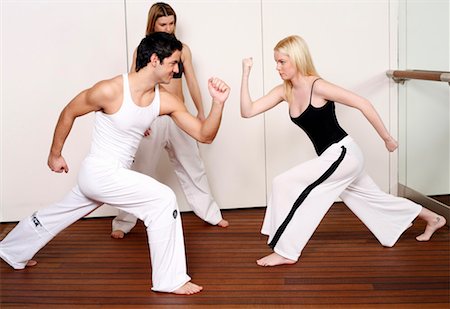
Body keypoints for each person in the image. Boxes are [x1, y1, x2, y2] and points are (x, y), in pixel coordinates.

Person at [0, 32, 230, 294]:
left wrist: (218, 104)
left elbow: (204, 134)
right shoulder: (110, 90)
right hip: (100, 171)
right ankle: (170, 279)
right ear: (154, 59)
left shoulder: (164, 100)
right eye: (173, 63)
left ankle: (12, 249)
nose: (177, 70)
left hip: (111, 176)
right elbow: (70, 111)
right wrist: (55, 154)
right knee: (163, 199)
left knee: (61, 212)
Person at [240, 35, 446, 267]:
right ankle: (433, 217)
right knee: (373, 199)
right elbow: (248, 111)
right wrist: (246, 73)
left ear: (297, 59)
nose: (277, 67)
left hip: (342, 154)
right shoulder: (284, 91)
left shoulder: (318, 86)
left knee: (286, 183)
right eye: (276, 62)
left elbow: (362, 103)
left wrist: (387, 138)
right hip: (335, 157)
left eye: (282, 62)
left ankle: (286, 250)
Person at [110, 2, 229, 239]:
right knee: (139, 170)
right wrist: (136, 120)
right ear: (152, 24)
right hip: (151, 116)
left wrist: (201, 111)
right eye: (163, 23)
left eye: (172, 23)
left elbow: (192, 81)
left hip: (179, 116)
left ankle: (211, 214)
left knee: (193, 166)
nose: (168, 27)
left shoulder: (182, 49)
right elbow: (133, 86)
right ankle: (123, 222)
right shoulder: (143, 50)